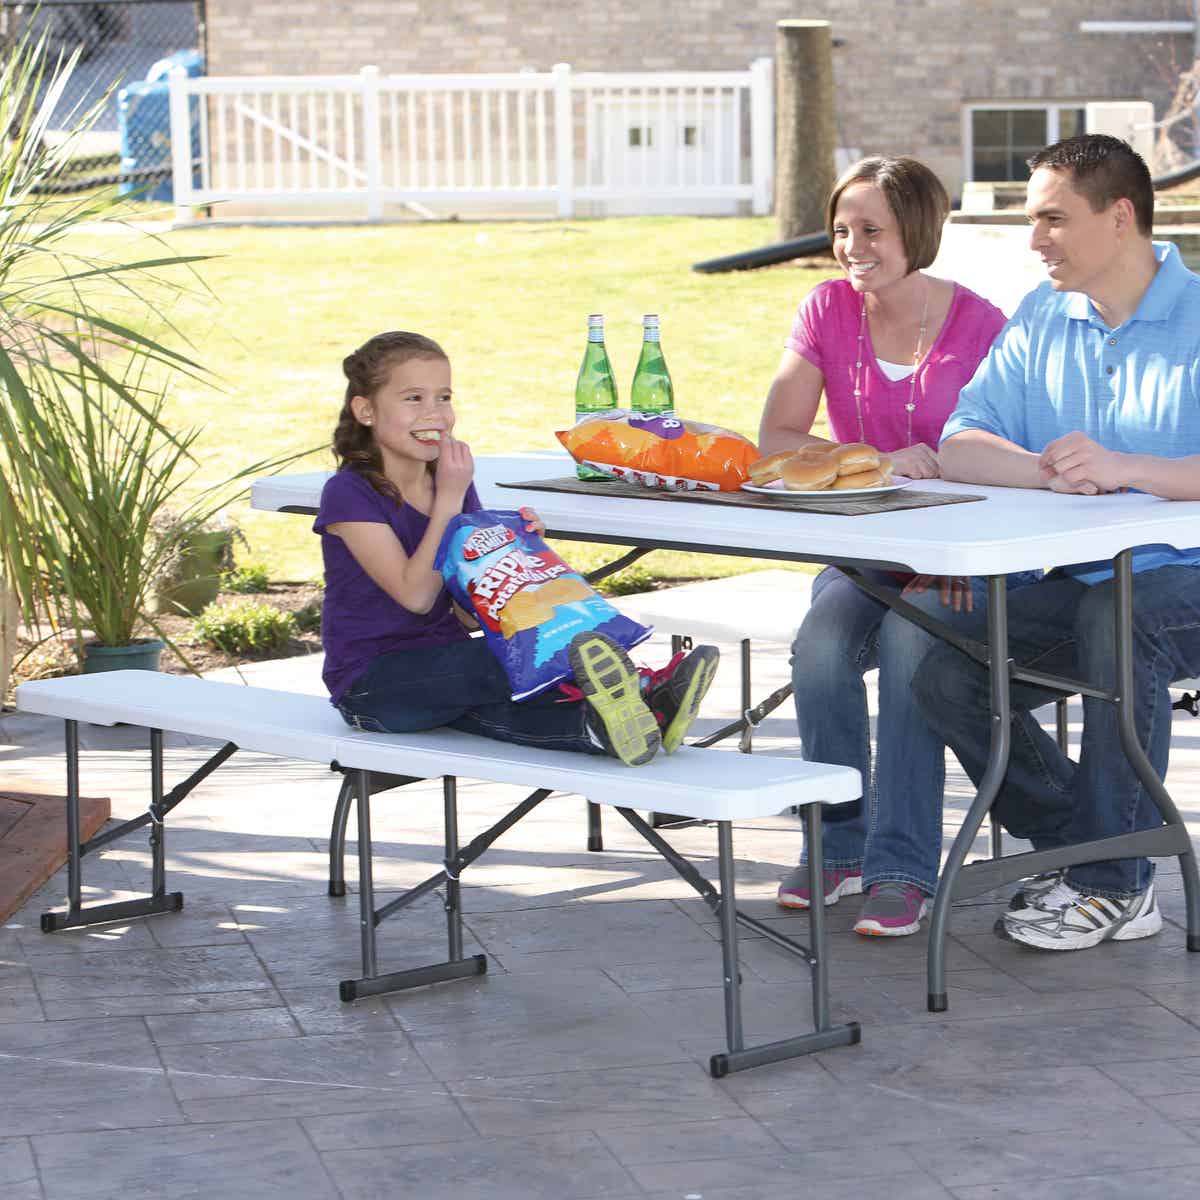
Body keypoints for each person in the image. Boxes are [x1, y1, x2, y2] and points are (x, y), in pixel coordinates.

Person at [913, 133, 1200, 951]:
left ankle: (1115, 882)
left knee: (1119, 618)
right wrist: (1047, 472)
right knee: (943, 665)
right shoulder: (1043, 315)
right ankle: (1088, 848)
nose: (1034, 241)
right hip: (1087, 583)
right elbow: (962, 441)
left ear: (1120, 218)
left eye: (1052, 219)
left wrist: (1125, 467)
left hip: (1183, 582)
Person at [759, 155, 1010, 936]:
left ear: (918, 232)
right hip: (863, 548)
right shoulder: (826, 309)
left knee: (910, 648)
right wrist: (870, 459)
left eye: (872, 229)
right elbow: (775, 437)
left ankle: (903, 865)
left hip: (957, 558)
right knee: (820, 647)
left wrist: (968, 556)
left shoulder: (981, 323)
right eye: (841, 229)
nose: (851, 245)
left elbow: (1010, 458)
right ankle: (836, 845)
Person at [315, 330, 719, 765]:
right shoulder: (349, 493)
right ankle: (643, 689)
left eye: (444, 397)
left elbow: (468, 612)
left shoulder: (449, 485)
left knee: (521, 687)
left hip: (446, 671)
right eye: (413, 398)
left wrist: (515, 556)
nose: (435, 413)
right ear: (366, 410)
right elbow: (415, 597)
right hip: (373, 683)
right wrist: (450, 501)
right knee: (514, 658)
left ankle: (618, 724)